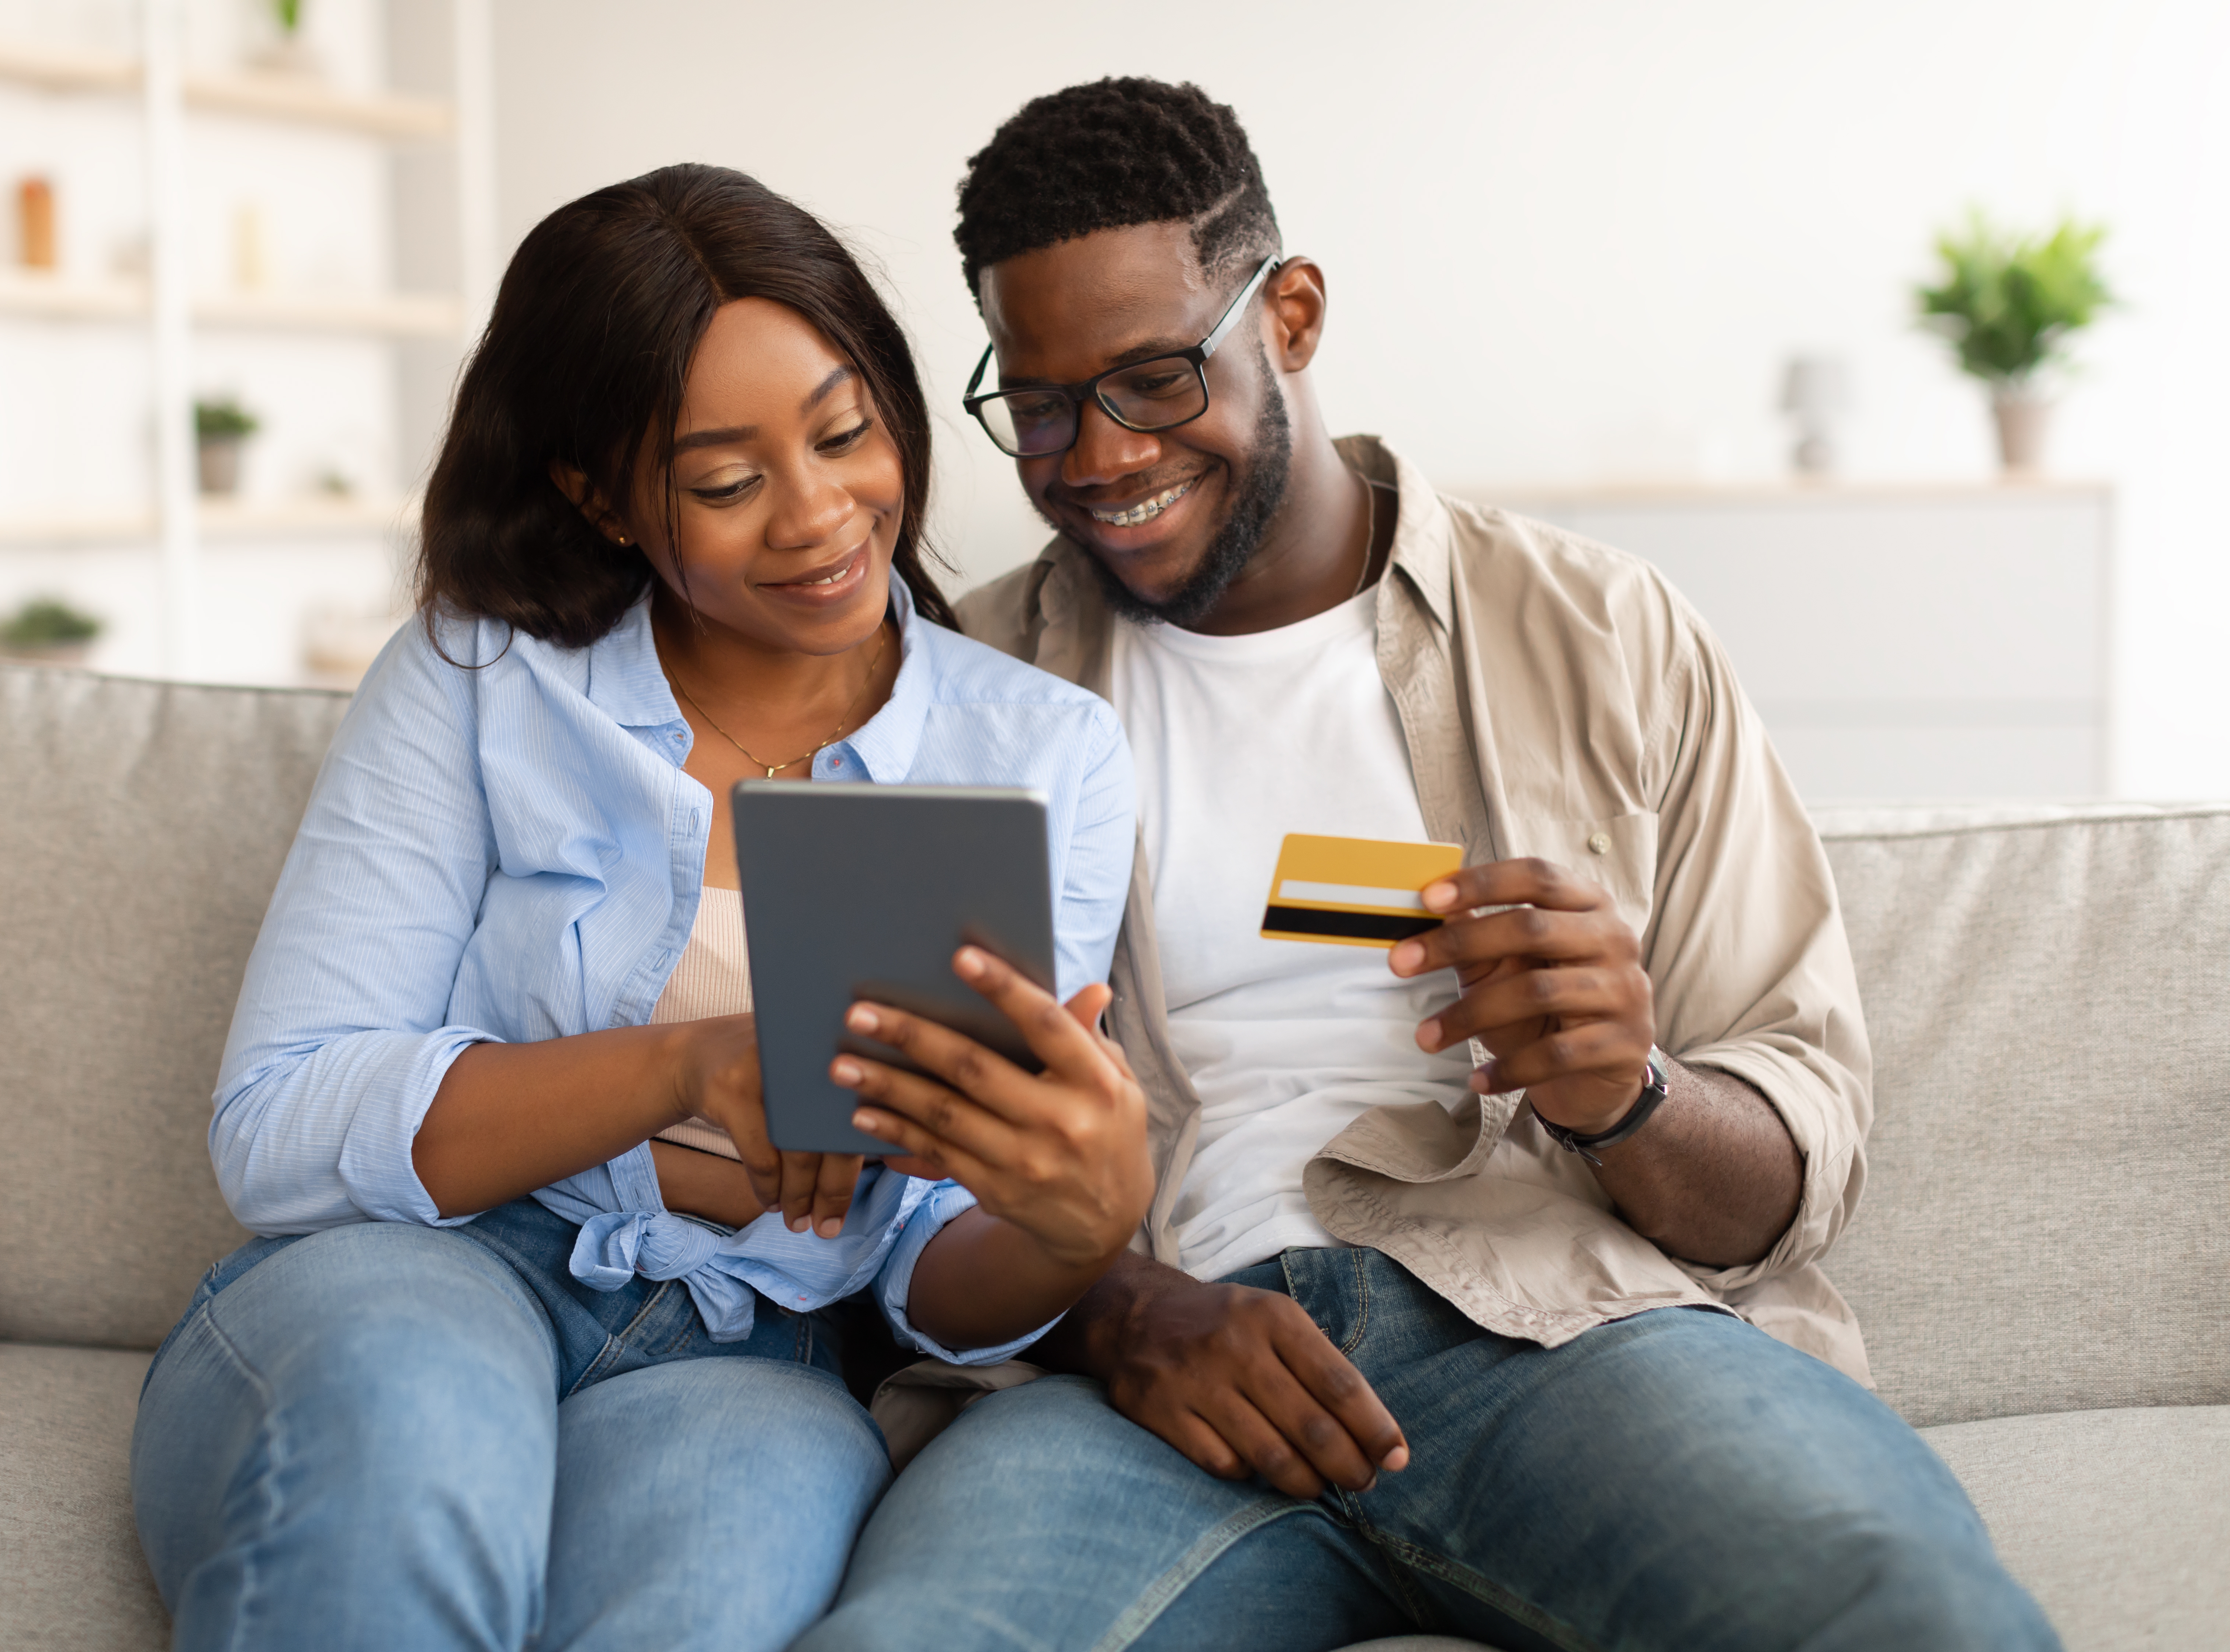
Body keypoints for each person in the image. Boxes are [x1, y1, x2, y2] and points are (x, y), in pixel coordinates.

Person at [801, 80, 2057, 1651]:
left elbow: (1789, 1178)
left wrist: (1629, 1090)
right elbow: (866, 1192)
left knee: (1902, 1607)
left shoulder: (1608, 635)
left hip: (1561, 1337)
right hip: (1134, 1385)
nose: (1098, 456)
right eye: (1043, 405)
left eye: (1153, 378)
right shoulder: (950, 696)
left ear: (1296, 315)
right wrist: (1118, 1309)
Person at [130, 163, 1152, 1652]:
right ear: (599, 494)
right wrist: (688, 1068)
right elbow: (278, 1125)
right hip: (433, 1270)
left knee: (709, 1598)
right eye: (729, 482)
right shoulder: (482, 676)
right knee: (408, 1446)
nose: (821, 517)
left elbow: (938, 1259)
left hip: (757, 1351)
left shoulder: (1042, 753)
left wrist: (1080, 1218)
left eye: (846, 431)